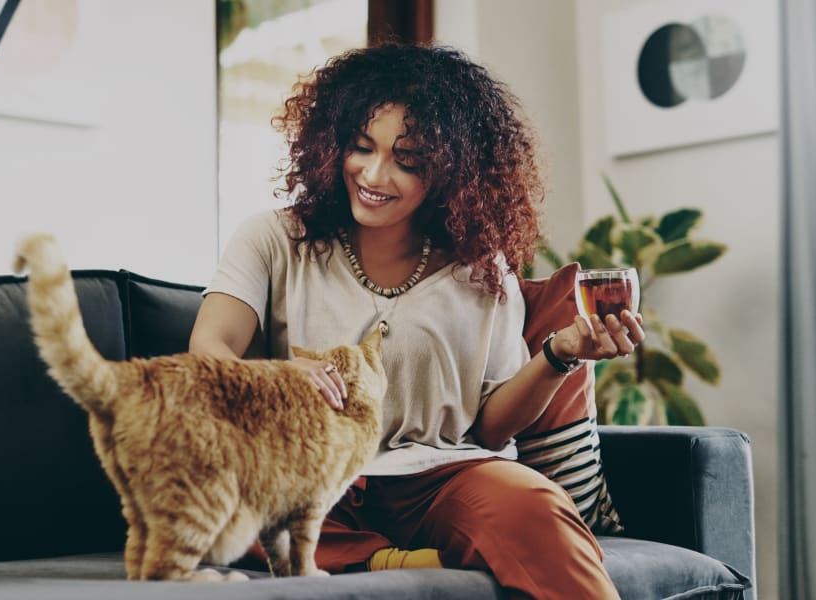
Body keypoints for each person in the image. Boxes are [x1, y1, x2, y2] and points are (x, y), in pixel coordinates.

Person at [189, 43, 643, 599]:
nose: (374, 174)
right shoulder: (274, 239)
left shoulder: (483, 269)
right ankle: (391, 561)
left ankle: (390, 556)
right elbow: (209, 349)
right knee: (237, 499)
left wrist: (558, 353)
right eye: (361, 148)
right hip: (316, 471)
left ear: (453, 172)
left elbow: (492, 427)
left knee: (535, 505)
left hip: (444, 476)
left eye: (407, 162)